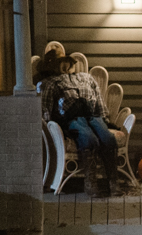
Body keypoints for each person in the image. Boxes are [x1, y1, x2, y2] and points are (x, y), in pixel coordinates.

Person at [37, 51, 123, 197]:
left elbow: (99, 100)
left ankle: (113, 182)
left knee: (107, 138)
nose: (64, 66)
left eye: (66, 62)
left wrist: (104, 119)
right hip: (73, 118)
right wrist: (55, 129)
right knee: (89, 139)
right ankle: (91, 182)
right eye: (60, 63)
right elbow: (45, 110)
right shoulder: (49, 83)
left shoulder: (86, 77)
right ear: (53, 67)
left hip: (92, 115)